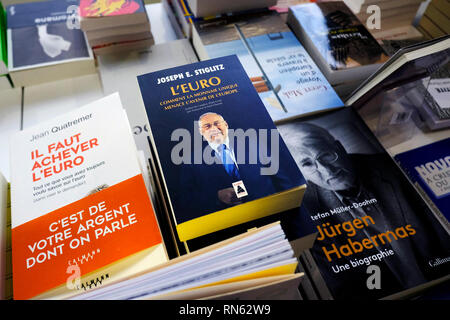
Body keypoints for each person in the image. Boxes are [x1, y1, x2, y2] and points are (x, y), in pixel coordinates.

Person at [283, 122, 450, 298]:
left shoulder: (393, 166)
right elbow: (339, 285)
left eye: (326, 155)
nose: (326, 170)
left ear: (339, 148)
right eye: (308, 164)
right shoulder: (304, 211)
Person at [174, 112, 302, 223]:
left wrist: (292, 212)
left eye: (217, 123)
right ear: (201, 132)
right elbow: (186, 200)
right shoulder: (191, 161)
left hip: (273, 215)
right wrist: (216, 197)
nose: (214, 128)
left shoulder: (254, 144)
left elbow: (282, 180)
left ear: (226, 125)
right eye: (207, 126)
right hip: (229, 226)